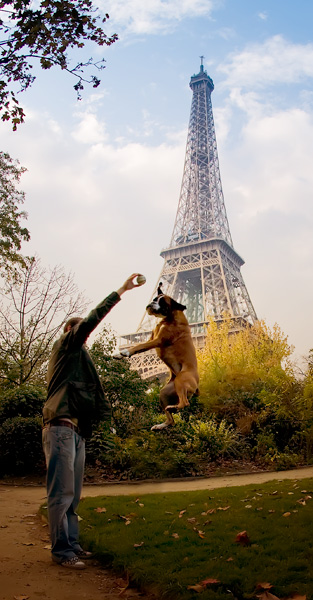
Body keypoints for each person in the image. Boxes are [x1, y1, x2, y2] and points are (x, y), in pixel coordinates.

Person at [42, 274, 144, 570]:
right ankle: (61, 551)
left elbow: (93, 396)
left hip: (75, 432)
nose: (86, 341)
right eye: (81, 333)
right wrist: (122, 290)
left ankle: (72, 544)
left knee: (73, 495)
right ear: (70, 332)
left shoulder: (78, 363)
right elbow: (89, 322)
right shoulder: (66, 347)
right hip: (60, 428)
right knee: (61, 494)